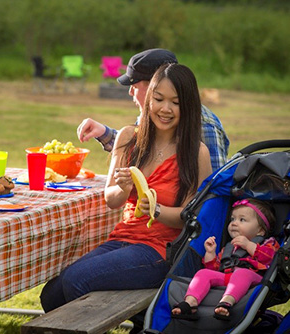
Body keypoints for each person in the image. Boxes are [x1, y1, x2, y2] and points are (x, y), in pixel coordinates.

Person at [40, 63, 213, 313]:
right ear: (149, 99)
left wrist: (156, 210)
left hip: (160, 252)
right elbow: (111, 199)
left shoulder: (196, 153)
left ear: (188, 106)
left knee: (76, 281)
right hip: (122, 238)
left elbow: (193, 218)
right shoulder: (128, 138)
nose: (165, 109)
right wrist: (123, 189)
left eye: (175, 102)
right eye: (159, 99)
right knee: (52, 294)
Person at [77, 48, 230, 171]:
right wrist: (103, 132)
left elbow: (214, 189)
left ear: (155, 85)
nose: (130, 92)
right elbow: (138, 147)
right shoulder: (152, 113)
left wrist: (163, 210)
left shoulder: (204, 125)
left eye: (135, 86)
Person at [171, 198, 278, 321]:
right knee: (203, 273)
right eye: (232, 219)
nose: (234, 223)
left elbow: (270, 258)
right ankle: (190, 303)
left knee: (242, 273)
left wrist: (249, 245)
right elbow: (216, 269)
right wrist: (210, 254)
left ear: (260, 230)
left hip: (253, 278)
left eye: (242, 220)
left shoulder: (268, 243)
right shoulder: (229, 248)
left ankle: (226, 302)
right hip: (227, 277)